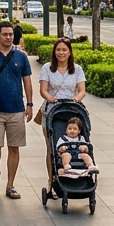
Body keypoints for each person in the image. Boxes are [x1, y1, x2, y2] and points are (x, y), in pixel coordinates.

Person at [0, 21, 33, 201]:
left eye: (11, 34)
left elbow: (27, 81)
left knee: (14, 147)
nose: (9, 37)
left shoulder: (21, 56)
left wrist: (30, 104)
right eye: (5, 34)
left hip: (16, 108)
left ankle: (10, 185)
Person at [38, 37, 86, 189]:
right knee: (52, 147)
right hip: (52, 110)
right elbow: (43, 90)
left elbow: (82, 90)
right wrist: (50, 98)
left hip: (71, 111)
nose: (61, 53)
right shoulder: (47, 67)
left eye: (64, 50)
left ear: (70, 52)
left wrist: (76, 99)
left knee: (75, 145)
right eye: (58, 50)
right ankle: (52, 180)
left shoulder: (77, 69)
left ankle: (76, 176)